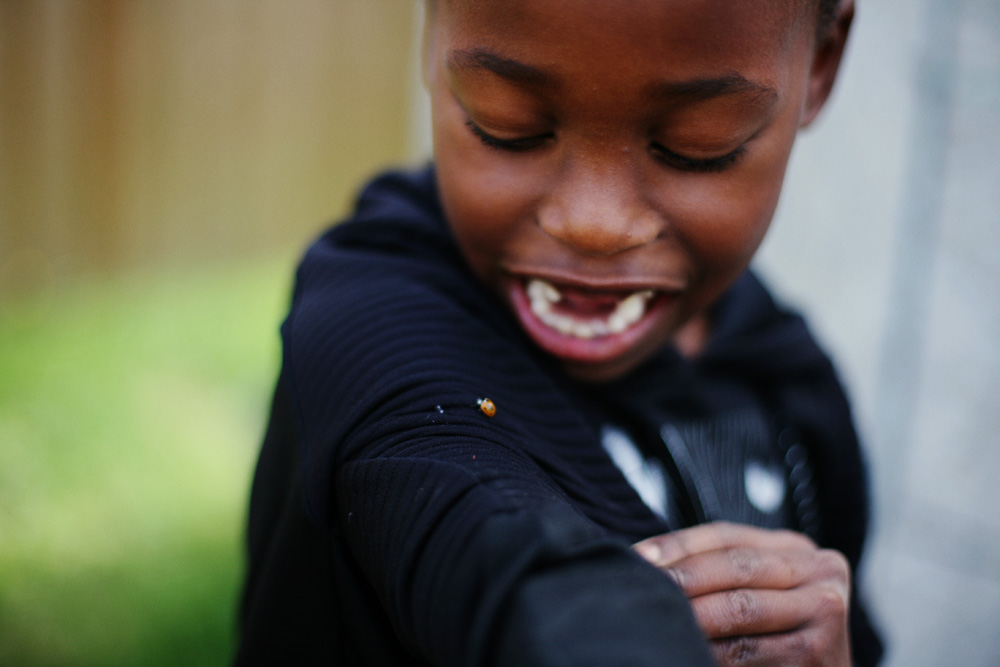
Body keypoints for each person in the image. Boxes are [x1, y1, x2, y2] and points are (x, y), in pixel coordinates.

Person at [236, 0, 884, 664]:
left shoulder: (785, 376)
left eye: (698, 143)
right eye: (506, 124)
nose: (592, 224)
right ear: (430, 31)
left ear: (822, 63)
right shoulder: (372, 326)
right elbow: (488, 548)